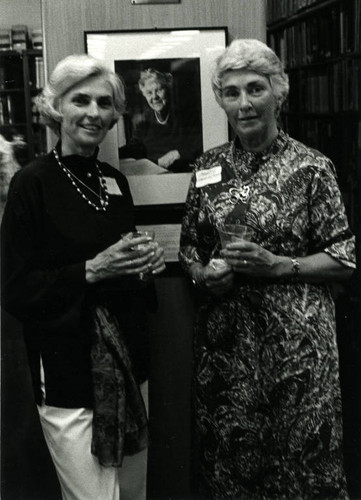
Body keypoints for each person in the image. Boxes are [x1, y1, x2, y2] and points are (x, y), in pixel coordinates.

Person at [179, 39, 355, 499]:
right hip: (227, 350)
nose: (244, 103)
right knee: (231, 469)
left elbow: (344, 259)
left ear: (279, 93)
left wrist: (281, 266)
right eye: (231, 92)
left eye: (255, 89)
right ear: (221, 100)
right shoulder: (206, 168)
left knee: (302, 468)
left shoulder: (313, 168)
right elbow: (189, 251)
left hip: (298, 353)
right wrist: (205, 275)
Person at [1, 54, 165, 500]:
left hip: (131, 365)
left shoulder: (114, 181)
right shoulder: (31, 183)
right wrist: (92, 270)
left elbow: (125, 272)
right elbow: (15, 290)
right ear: (56, 107)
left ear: (116, 115)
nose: (94, 112)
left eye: (104, 102)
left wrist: (143, 268)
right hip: (68, 371)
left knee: (132, 493)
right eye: (81, 100)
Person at [119, 68, 202, 173]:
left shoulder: (187, 118)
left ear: (167, 89)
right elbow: (133, 150)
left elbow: (200, 145)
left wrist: (179, 153)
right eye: (149, 93)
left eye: (159, 90)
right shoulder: (144, 124)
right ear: (144, 95)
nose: (154, 97)